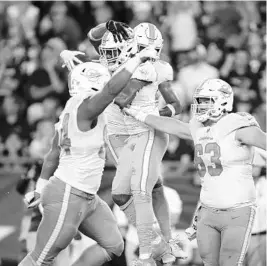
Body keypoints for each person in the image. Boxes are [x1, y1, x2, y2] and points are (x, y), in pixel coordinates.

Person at [19, 45, 159, 266]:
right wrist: (137, 58)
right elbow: (111, 90)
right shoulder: (86, 108)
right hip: (68, 193)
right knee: (41, 259)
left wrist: (39, 186)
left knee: (114, 245)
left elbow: (53, 154)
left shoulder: (71, 107)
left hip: (87, 196)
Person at [124, 78, 267, 266]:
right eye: (199, 101)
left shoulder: (236, 125)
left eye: (205, 101)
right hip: (208, 209)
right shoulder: (200, 129)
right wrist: (140, 115)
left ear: (222, 101)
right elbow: (173, 126)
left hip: (236, 209)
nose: (199, 106)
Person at [88, 21, 186, 266]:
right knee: (122, 194)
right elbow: (93, 37)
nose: (107, 57)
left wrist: (160, 113)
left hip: (143, 129)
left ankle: (159, 244)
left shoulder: (147, 67)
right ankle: (157, 243)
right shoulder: (113, 57)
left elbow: (170, 101)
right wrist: (106, 26)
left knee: (148, 187)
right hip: (116, 133)